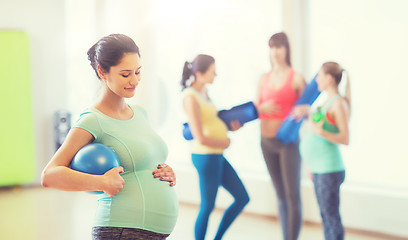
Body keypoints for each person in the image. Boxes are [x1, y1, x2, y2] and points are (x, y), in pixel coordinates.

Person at [41, 34, 178, 240]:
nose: (134, 80)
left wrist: (164, 171)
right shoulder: (92, 120)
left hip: (152, 232)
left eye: (138, 72)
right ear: (102, 72)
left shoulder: (140, 113)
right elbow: (49, 175)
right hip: (121, 230)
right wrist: (101, 182)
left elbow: (141, 162)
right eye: (125, 74)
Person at [181, 54, 250, 240]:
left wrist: (229, 127)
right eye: (213, 71)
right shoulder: (190, 97)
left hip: (216, 155)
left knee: (242, 198)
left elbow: (211, 122)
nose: (216, 75)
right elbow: (200, 137)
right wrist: (224, 142)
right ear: (200, 73)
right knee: (208, 206)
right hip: (205, 156)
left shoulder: (204, 93)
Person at [255, 32, 306, 240]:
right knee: (280, 195)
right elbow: (256, 108)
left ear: (287, 49)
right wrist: (262, 107)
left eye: (279, 47)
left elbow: (308, 107)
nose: (275, 52)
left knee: (292, 196)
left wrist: (306, 111)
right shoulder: (263, 78)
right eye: (272, 47)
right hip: (266, 142)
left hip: (288, 144)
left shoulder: (296, 77)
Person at [295, 62, 350, 240]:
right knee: (326, 217)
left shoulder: (338, 103)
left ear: (329, 78)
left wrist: (321, 131)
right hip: (320, 169)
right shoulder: (326, 101)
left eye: (319, 76)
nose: (316, 79)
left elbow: (345, 138)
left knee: (331, 217)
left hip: (330, 169)